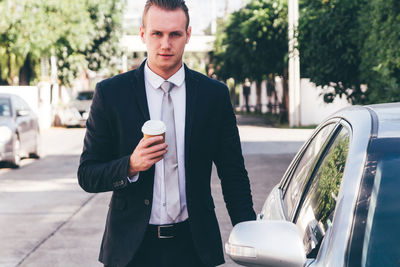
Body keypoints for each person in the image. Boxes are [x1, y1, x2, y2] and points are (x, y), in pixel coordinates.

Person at [77, 1, 256, 266]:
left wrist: (252, 236)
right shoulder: (112, 94)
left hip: (195, 247)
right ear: (142, 34)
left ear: (188, 35)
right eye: (157, 34)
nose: (165, 44)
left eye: (175, 34)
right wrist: (130, 166)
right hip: (130, 250)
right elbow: (87, 174)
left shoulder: (213, 95)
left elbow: (233, 173)